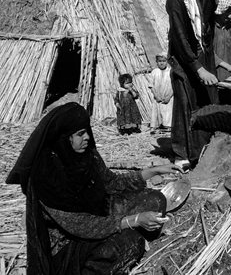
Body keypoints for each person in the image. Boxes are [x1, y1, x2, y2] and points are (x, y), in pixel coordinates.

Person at [5, 102, 182, 275]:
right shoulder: (45, 176)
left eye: (87, 131)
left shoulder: (86, 154)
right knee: (127, 244)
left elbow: (111, 182)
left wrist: (152, 171)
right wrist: (132, 220)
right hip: (71, 243)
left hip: (101, 212)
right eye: (80, 134)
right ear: (63, 137)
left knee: (155, 199)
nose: (87, 137)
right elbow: (82, 225)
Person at [166, 0, 220, 170]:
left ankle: (204, 149)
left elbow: (207, 23)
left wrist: (208, 60)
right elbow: (179, 38)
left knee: (206, 101)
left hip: (201, 54)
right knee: (185, 103)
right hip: (183, 58)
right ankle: (182, 154)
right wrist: (198, 68)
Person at [149, 52, 174, 133]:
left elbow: (174, 86)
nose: (162, 63)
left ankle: (168, 126)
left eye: (164, 61)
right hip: (157, 96)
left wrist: (169, 96)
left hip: (168, 96)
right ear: (157, 62)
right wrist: (156, 95)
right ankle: (156, 126)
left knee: (168, 111)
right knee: (157, 111)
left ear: (167, 61)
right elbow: (151, 85)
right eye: (160, 61)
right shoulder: (154, 72)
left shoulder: (170, 72)